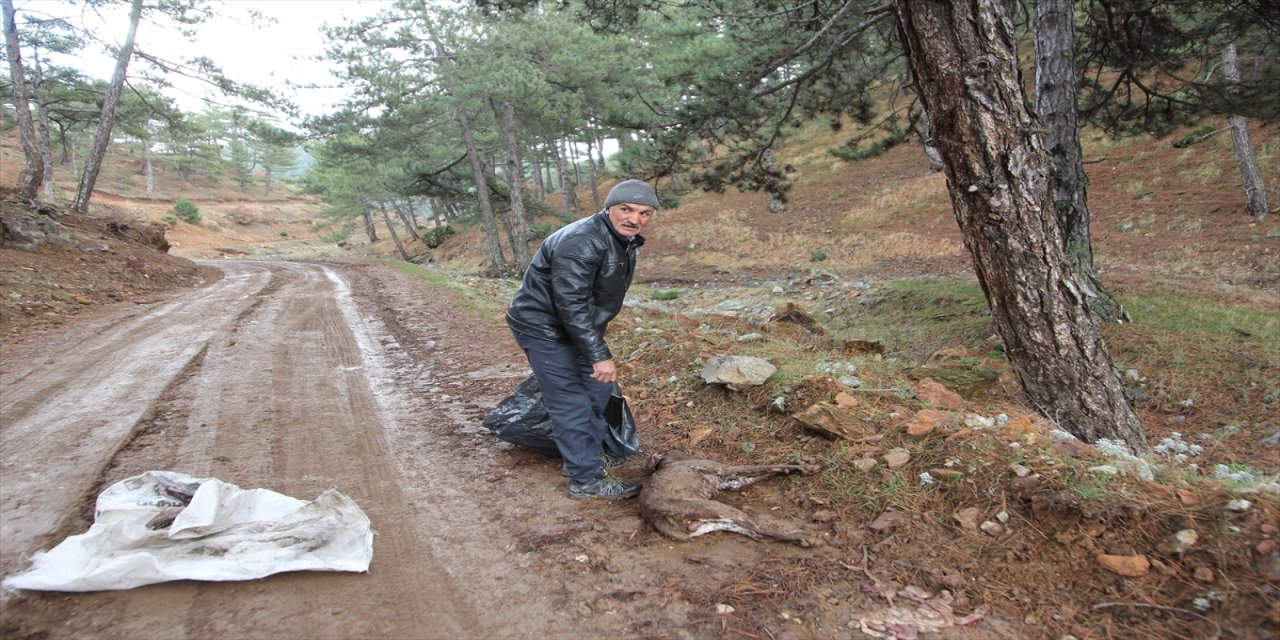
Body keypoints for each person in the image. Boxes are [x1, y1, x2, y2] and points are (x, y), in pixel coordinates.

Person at [505, 179, 659, 500]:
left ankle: (582, 454)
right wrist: (598, 354)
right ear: (608, 208)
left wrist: (593, 348)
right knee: (570, 400)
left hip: (572, 326)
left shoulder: (621, 239)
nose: (635, 219)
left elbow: (591, 301)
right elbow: (570, 304)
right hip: (543, 327)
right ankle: (585, 480)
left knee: (599, 387)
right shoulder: (583, 242)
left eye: (645, 213)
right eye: (626, 209)